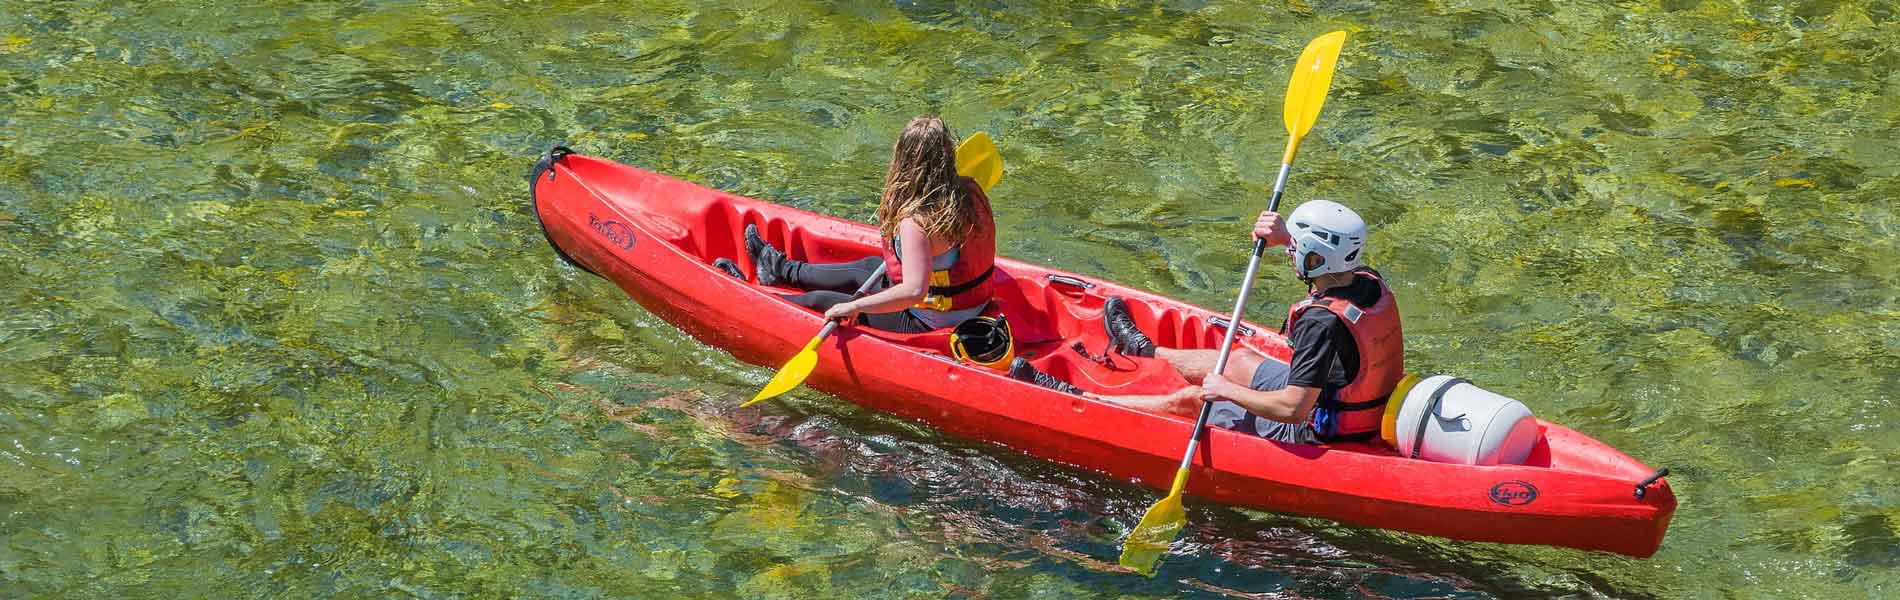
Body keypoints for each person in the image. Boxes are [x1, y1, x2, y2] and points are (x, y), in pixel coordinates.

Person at [1010, 200, 1404, 445]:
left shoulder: (1320, 323)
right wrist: (1284, 236)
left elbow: (1293, 410)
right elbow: (1325, 264)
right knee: (1234, 358)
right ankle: (1146, 350)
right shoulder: (1366, 280)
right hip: (1335, 395)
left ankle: (1084, 399)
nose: (1291, 254)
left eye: (1298, 248)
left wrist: (1227, 391)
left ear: (1316, 258)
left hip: (1311, 428)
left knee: (1194, 400)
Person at [714, 115, 996, 333]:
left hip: (931, 321)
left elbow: (914, 291)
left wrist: (855, 305)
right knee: (869, 268)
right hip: (973, 305)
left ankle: (751, 300)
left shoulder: (917, 223)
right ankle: (778, 270)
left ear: (905, 161)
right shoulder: (967, 190)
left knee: (824, 301)